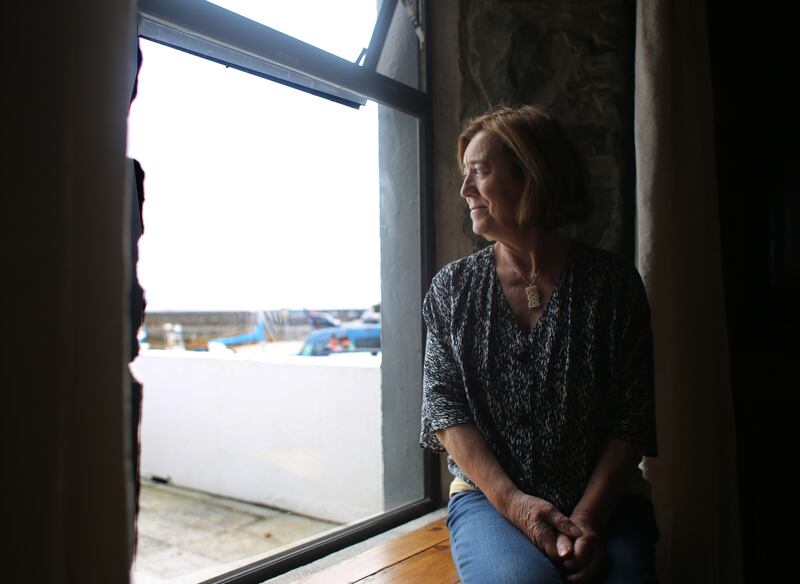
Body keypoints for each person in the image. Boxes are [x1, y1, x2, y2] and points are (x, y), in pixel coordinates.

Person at [420, 105, 658, 583]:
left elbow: (632, 418)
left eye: (480, 172)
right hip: (490, 501)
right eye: (464, 174)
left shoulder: (612, 285)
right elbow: (445, 412)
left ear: (531, 174)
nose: (465, 189)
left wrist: (587, 519)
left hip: (607, 500)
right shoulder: (452, 289)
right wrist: (515, 504)